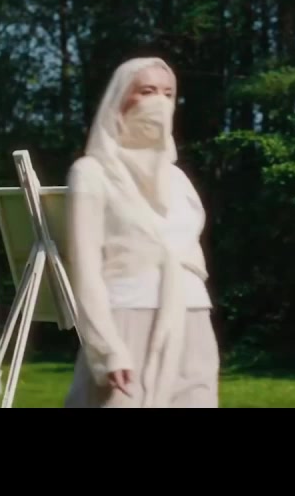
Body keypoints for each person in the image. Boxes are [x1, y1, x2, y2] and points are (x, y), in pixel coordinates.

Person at [62, 57, 219, 408]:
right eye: (147, 91)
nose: (158, 102)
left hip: (192, 320)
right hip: (127, 317)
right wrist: (107, 348)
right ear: (120, 99)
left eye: (168, 94)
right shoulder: (91, 173)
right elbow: (85, 269)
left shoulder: (178, 181)